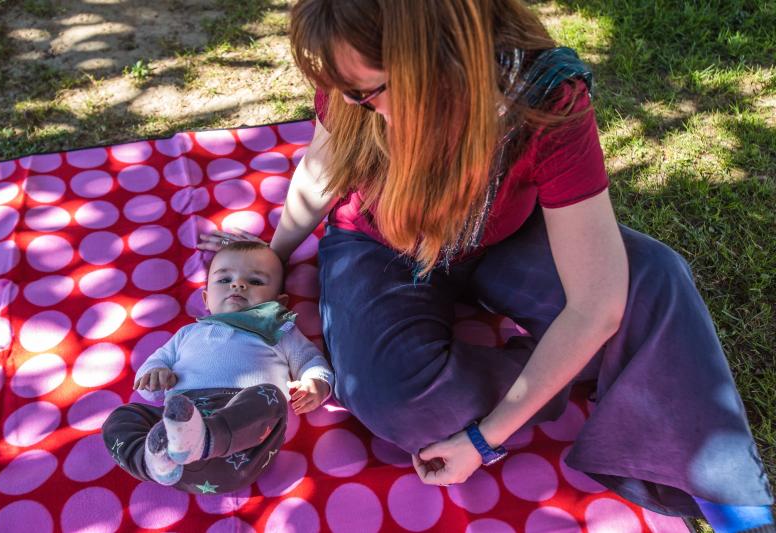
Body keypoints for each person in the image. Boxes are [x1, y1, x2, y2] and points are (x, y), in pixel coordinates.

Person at [199, 0, 774, 530]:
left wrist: (483, 439)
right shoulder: (354, 76)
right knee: (401, 403)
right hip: (379, 248)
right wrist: (271, 256)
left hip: (501, 237)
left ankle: (722, 482)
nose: (356, 104)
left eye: (368, 91)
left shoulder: (543, 96)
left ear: (440, 60)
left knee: (654, 278)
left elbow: (597, 299)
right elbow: (323, 169)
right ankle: (593, 365)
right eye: (347, 92)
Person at [101, 241, 334, 494]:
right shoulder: (188, 333)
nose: (238, 284)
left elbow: (311, 361)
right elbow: (152, 374)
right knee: (121, 418)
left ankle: (204, 440)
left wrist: (316, 383)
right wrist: (155, 376)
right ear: (206, 297)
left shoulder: (280, 330)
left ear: (279, 302)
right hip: (177, 440)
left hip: (240, 449)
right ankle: (151, 461)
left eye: (255, 281)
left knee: (270, 397)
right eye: (224, 280)